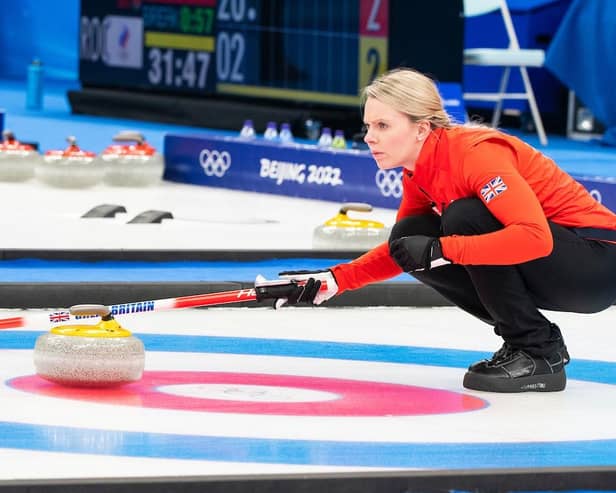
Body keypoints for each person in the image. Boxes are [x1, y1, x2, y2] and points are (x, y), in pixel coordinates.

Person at [274, 67, 616, 393]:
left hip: (598, 263)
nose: (369, 137)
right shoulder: (417, 172)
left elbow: (534, 236)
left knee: (465, 218)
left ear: (421, 129)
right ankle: (530, 343)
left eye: (382, 125)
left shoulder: (475, 155)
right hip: (566, 266)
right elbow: (405, 251)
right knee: (410, 236)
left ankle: (538, 352)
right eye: (368, 126)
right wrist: (336, 279)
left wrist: (443, 250)